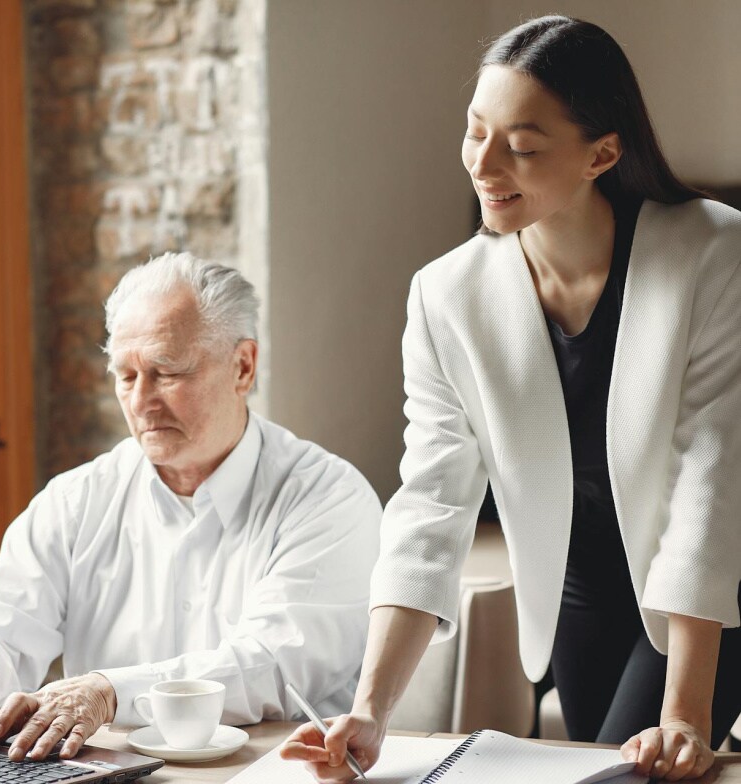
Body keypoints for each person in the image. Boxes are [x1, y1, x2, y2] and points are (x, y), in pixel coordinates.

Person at [282, 15, 741, 783]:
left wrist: (684, 717)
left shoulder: (713, 252)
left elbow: (710, 482)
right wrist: (370, 712)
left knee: (645, 773)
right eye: (475, 132)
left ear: (602, 153)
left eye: (522, 146)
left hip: (712, 589)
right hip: (578, 594)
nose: (484, 163)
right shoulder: (446, 295)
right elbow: (430, 504)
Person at [0, 252, 382, 762]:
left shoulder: (329, 498)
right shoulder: (76, 500)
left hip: (275, 772)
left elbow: (272, 667)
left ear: (242, 366)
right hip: (108, 773)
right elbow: (4, 628)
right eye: (126, 376)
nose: (141, 401)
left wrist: (110, 693)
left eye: (166, 372)